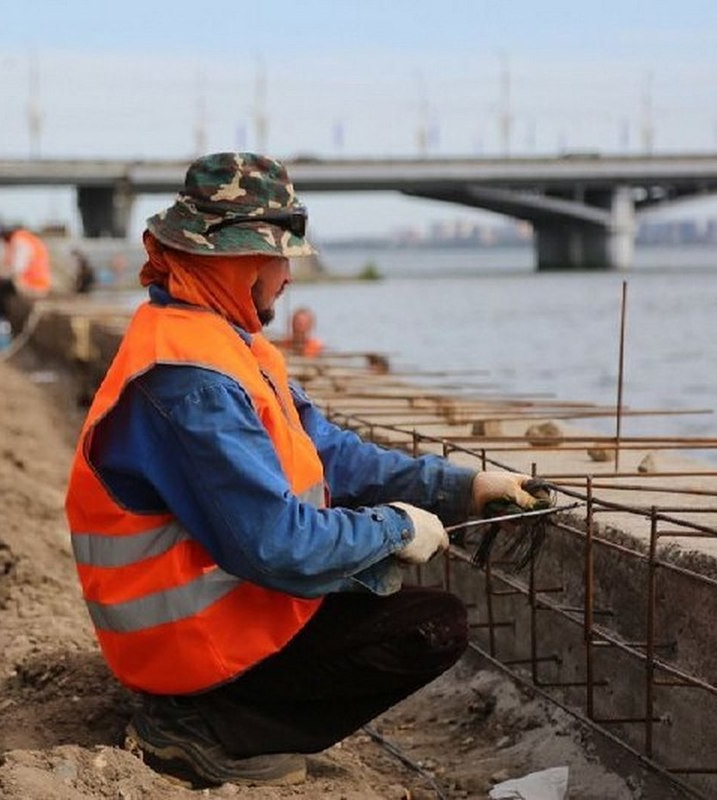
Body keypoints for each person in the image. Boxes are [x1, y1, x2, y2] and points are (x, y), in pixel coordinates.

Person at [63, 152, 537, 788]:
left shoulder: (218, 340)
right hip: (188, 648)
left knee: (409, 608)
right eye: (278, 259)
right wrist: (393, 530)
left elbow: (330, 452)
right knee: (429, 627)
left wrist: (463, 488)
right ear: (234, 261)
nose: (287, 278)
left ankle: (224, 715)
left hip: (215, 621)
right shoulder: (190, 382)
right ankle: (201, 729)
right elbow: (273, 542)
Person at [0, 225, 51, 348]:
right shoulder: (29, 239)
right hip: (39, 284)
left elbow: (18, 268)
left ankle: (2, 328)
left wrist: (1, 275)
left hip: (32, 285)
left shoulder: (19, 241)